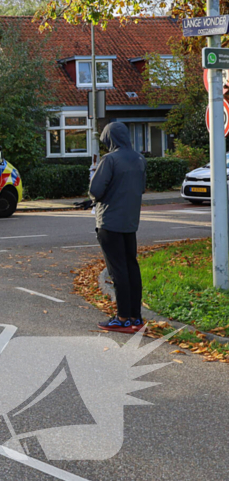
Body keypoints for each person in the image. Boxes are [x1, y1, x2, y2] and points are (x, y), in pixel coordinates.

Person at [89, 122, 147, 333]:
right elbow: (141, 188)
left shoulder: (109, 160)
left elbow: (95, 190)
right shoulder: (140, 159)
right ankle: (136, 317)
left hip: (110, 222)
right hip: (130, 222)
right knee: (132, 268)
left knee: (118, 271)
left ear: (109, 139)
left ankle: (122, 319)